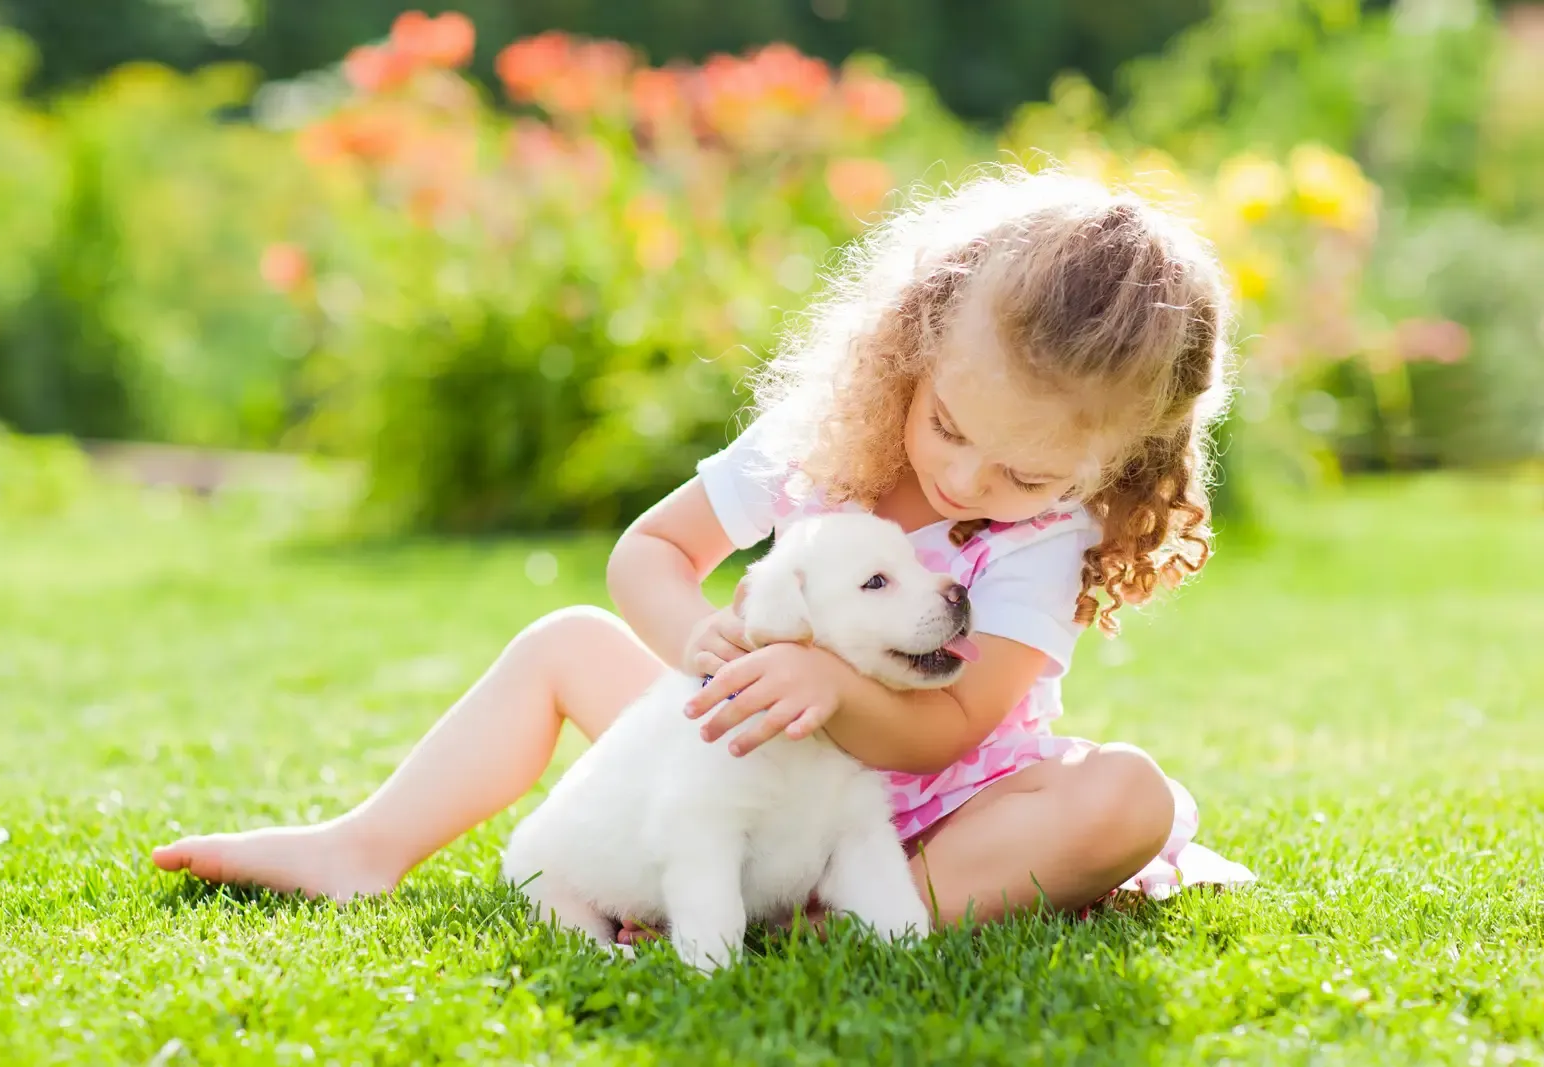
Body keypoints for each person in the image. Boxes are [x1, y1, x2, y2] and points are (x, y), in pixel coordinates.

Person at [152, 166, 1255, 930]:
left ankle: (850, 921)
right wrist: (707, 649)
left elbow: (953, 725)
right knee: (565, 640)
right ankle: (364, 845)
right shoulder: (825, 439)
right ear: (914, 351)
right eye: (950, 428)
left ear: (1114, 464)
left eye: (1026, 474)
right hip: (749, 762)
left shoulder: (1045, 539)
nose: (969, 482)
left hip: (930, 817)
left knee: (1126, 799)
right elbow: (650, 551)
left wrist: (831, 687)